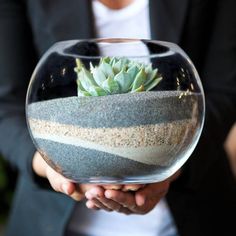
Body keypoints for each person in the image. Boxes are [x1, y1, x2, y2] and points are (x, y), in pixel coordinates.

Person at [0, 0, 236, 236]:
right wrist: (49, 164)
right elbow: (6, 102)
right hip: (49, 221)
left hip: (192, 212)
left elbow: (224, 90)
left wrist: (171, 169)